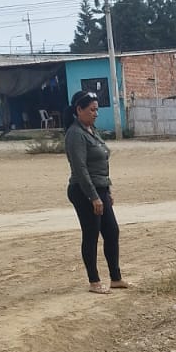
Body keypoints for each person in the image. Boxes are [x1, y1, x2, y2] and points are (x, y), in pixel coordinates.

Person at [63, 90, 130, 294]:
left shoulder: (91, 130)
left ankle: (116, 278)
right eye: (92, 110)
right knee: (91, 234)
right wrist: (93, 196)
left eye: (97, 110)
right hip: (84, 191)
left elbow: (101, 164)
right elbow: (80, 169)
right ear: (79, 110)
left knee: (112, 231)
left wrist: (106, 191)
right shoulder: (75, 134)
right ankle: (94, 282)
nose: (96, 114)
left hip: (100, 189)